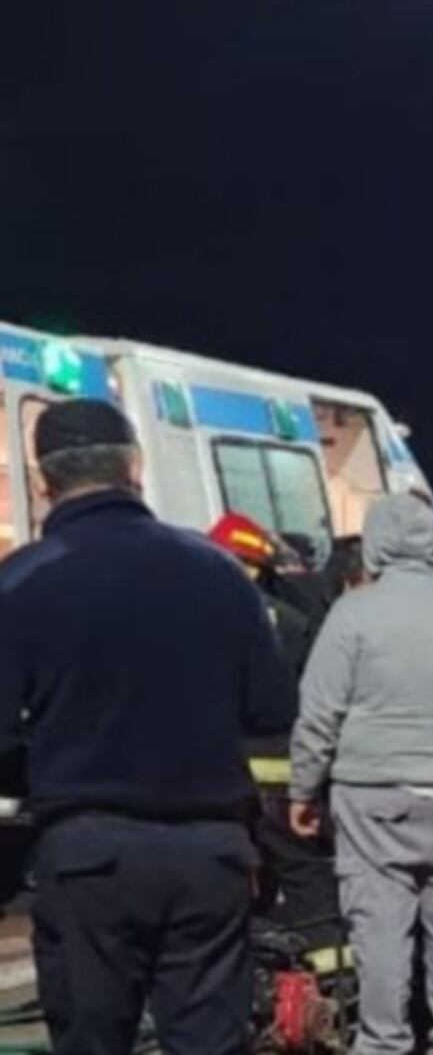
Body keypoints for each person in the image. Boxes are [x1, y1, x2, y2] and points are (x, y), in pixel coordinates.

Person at [0, 400, 297, 1055]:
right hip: (209, 854)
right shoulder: (221, 575)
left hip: (86, 857)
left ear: (42, 480)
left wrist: (47, 763)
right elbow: (274, 712)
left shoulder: (20, 583)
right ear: (135, 468)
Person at [289, 495, 433, 1055]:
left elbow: (319, 711)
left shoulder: (353, 615)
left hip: (374, 795)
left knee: (381, 927)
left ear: (375, 546)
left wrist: (304, 787)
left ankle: (384, 1043)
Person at [208, 513, 343, 949]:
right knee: (307, 875)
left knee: (227, 881)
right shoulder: (295, 622)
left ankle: (243, 977)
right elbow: (316, 706)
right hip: (285, 778)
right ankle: (331, 984)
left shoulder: (194, 617)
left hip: (220, 777)